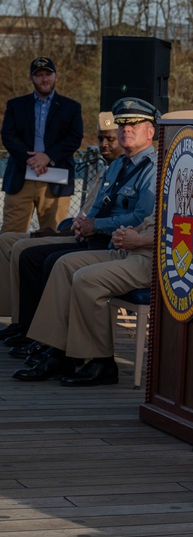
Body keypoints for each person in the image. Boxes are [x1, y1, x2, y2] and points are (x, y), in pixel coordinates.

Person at [7, 97, 160, 377]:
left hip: (128, 246)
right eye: (123, 124)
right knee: (55, 261)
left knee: (62, 264)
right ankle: (56, 351)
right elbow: (99, 205)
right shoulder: (117, 166)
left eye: (135, 124)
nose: (126, 129)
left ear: (151, 132)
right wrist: (82, 223)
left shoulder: (155, 168)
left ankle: (95, 360)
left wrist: (95, 225)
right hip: (108, 241)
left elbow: (141, 218)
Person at [0, 112, 123, 338]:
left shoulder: (125, 173)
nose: (103, 145)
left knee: (28, 252)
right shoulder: (107, 170)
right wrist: (59, 232)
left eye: (111, 139)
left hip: (94, 241)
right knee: (7, 240)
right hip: (76, 232)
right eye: (100, 139)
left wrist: (57, 233)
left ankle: (33, 331)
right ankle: (15, 319)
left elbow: (101, 223)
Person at [12, 216, 155, 385]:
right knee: (64, 264)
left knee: (87, 279)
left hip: (156, 260)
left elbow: (189, 233)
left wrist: (139, 240)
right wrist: (129, 233)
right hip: (132, 251)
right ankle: (59, 356)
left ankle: (103, 362)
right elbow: (149, 221)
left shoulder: (190, 190)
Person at [1, 57, 84, 233]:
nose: (44, 79)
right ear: (31, 78)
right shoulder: (15, 105)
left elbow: (75, 138)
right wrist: (30, 159)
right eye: (38, 75)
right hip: (21, 178)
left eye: (48, 74)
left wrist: (48, 157)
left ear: (56, 76)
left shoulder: (71, 107)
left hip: (55, 180)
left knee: (53, 235)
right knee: (9, 236)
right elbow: (8, 135)